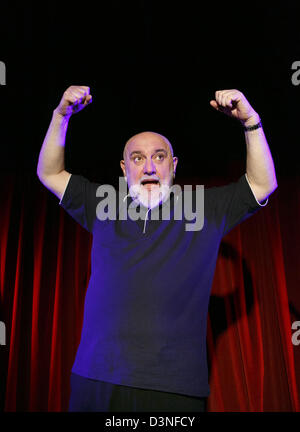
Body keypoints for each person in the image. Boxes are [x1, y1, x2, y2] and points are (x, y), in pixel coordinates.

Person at [37, 86, 277, 412]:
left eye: (159, 157)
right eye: (137, 158)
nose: (149, 168)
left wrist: (250, 120)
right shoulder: (102, 204)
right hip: (96, 380)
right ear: (124, 169)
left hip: (173, 389)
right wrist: (61, 116)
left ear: (173, 165)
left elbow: (262, 184)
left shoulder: (202, 208)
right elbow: (49, 173)